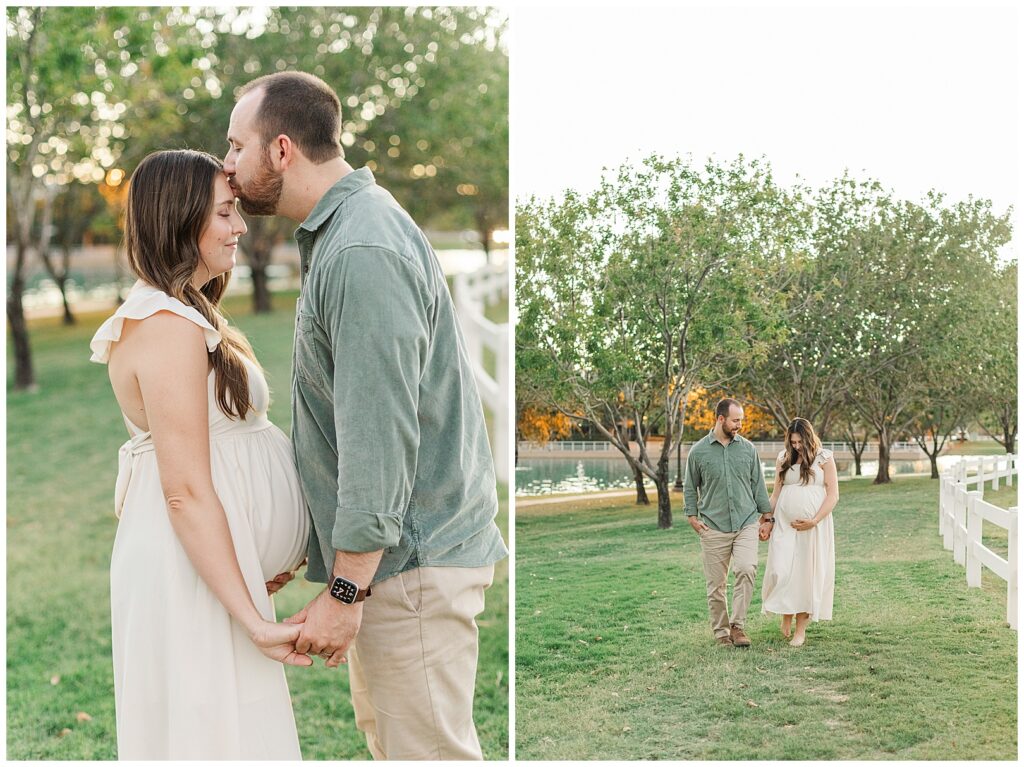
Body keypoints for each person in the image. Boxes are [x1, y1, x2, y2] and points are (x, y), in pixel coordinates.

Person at [223, 70, 508, 760]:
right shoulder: (348, 231)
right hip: (397, 565)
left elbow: (378, 435)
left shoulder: (360, 248)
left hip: (407, 565)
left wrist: (345, 590)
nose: (227, 168)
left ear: (281, 150)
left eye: (236, 147)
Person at [89, 149, 310, 760]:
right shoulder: (164, 324)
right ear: (179, 220)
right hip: (188, 572)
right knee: (212, 738)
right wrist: (253, 617)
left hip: (214, 568)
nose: (239, 226)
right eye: (225, 212)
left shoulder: (186, 310)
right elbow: (183, 487)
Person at [684, 397, 773, 648]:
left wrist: (767, 517)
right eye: (735, 420)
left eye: (741, 420)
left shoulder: (748, 449)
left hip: (746, 522)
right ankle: (721, 632)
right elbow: (690, 487)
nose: (739, 425)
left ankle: (738, 626)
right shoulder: (698, 452)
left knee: (746, 568)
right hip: (713, 526)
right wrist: (692, 516)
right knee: (716, 585)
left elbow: (758, 485)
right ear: (720, 419)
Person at [761, 418, 838, 647]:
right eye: (792, 442)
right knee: (780, 569)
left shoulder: (825, 458)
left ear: (809, 437)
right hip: (784, 525)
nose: (796, 446)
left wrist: (814, 520)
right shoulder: (784, 459)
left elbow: (833, 494)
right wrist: (766, 519)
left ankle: (800, 630)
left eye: (799, 442)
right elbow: (775, 494)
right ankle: (786, 614)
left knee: (805, 574)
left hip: (813, 527)